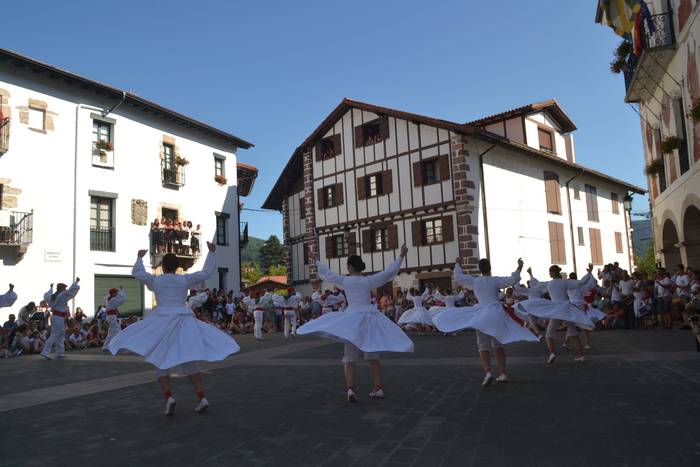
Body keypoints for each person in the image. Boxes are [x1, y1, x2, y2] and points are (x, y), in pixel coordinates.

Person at [106, 242, 240, 415]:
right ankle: (201, 397)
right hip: (183, 320)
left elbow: (138, 273)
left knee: (160, 359)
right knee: (190, 360)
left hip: (162, 320)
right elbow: (205, 273)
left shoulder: (156, 280)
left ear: (162, 267)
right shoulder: (184, 279)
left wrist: (139, 257)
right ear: (178, 267)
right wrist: (212, 253)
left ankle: (169, 397)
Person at [297, 245, 414, 403]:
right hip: (369, 318)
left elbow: (327, 274)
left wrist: (316, 260)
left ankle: (350, 389)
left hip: (353, 319)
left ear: (350, 267)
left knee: (350, 357)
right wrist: (401, 256)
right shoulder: (367, 281)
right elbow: (388, 273)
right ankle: (378, 388)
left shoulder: (345, 280)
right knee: (372, 355)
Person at [434, 258, 538, 386]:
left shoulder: (475, 281)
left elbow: (458, 276)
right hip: (495, 313)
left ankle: (488, 372)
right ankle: (502, 373)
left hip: (481, 314)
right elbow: (512, 280)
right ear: (489, 268)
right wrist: (519, 267)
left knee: (483, 345)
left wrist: (457, 264)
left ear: (480, 269)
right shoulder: (494, 280)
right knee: (498, 344)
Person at [517, 265, 595, 364]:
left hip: (557, 309)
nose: (549, 273)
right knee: (572, 331)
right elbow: (581, 282)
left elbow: (536, 284)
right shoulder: (564, 282)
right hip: (566, 308)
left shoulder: (549, 284)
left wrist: (530, 274)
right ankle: (580, 355)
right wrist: (589, 273)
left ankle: (552, 353)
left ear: (553, 273)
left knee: (549, 333)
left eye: (550, 272)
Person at [41, 279, 81, 359]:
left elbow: (47, 296)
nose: (65, 289)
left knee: (60, 334)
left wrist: (51, 288)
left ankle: (60, 352)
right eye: (64, 288)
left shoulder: (52, 296)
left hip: (57, 317)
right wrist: (76, 282)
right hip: (58, 317)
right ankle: (45, 352)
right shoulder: (62, 295)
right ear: (61, 289)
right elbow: (71, 291)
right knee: (55, 334)